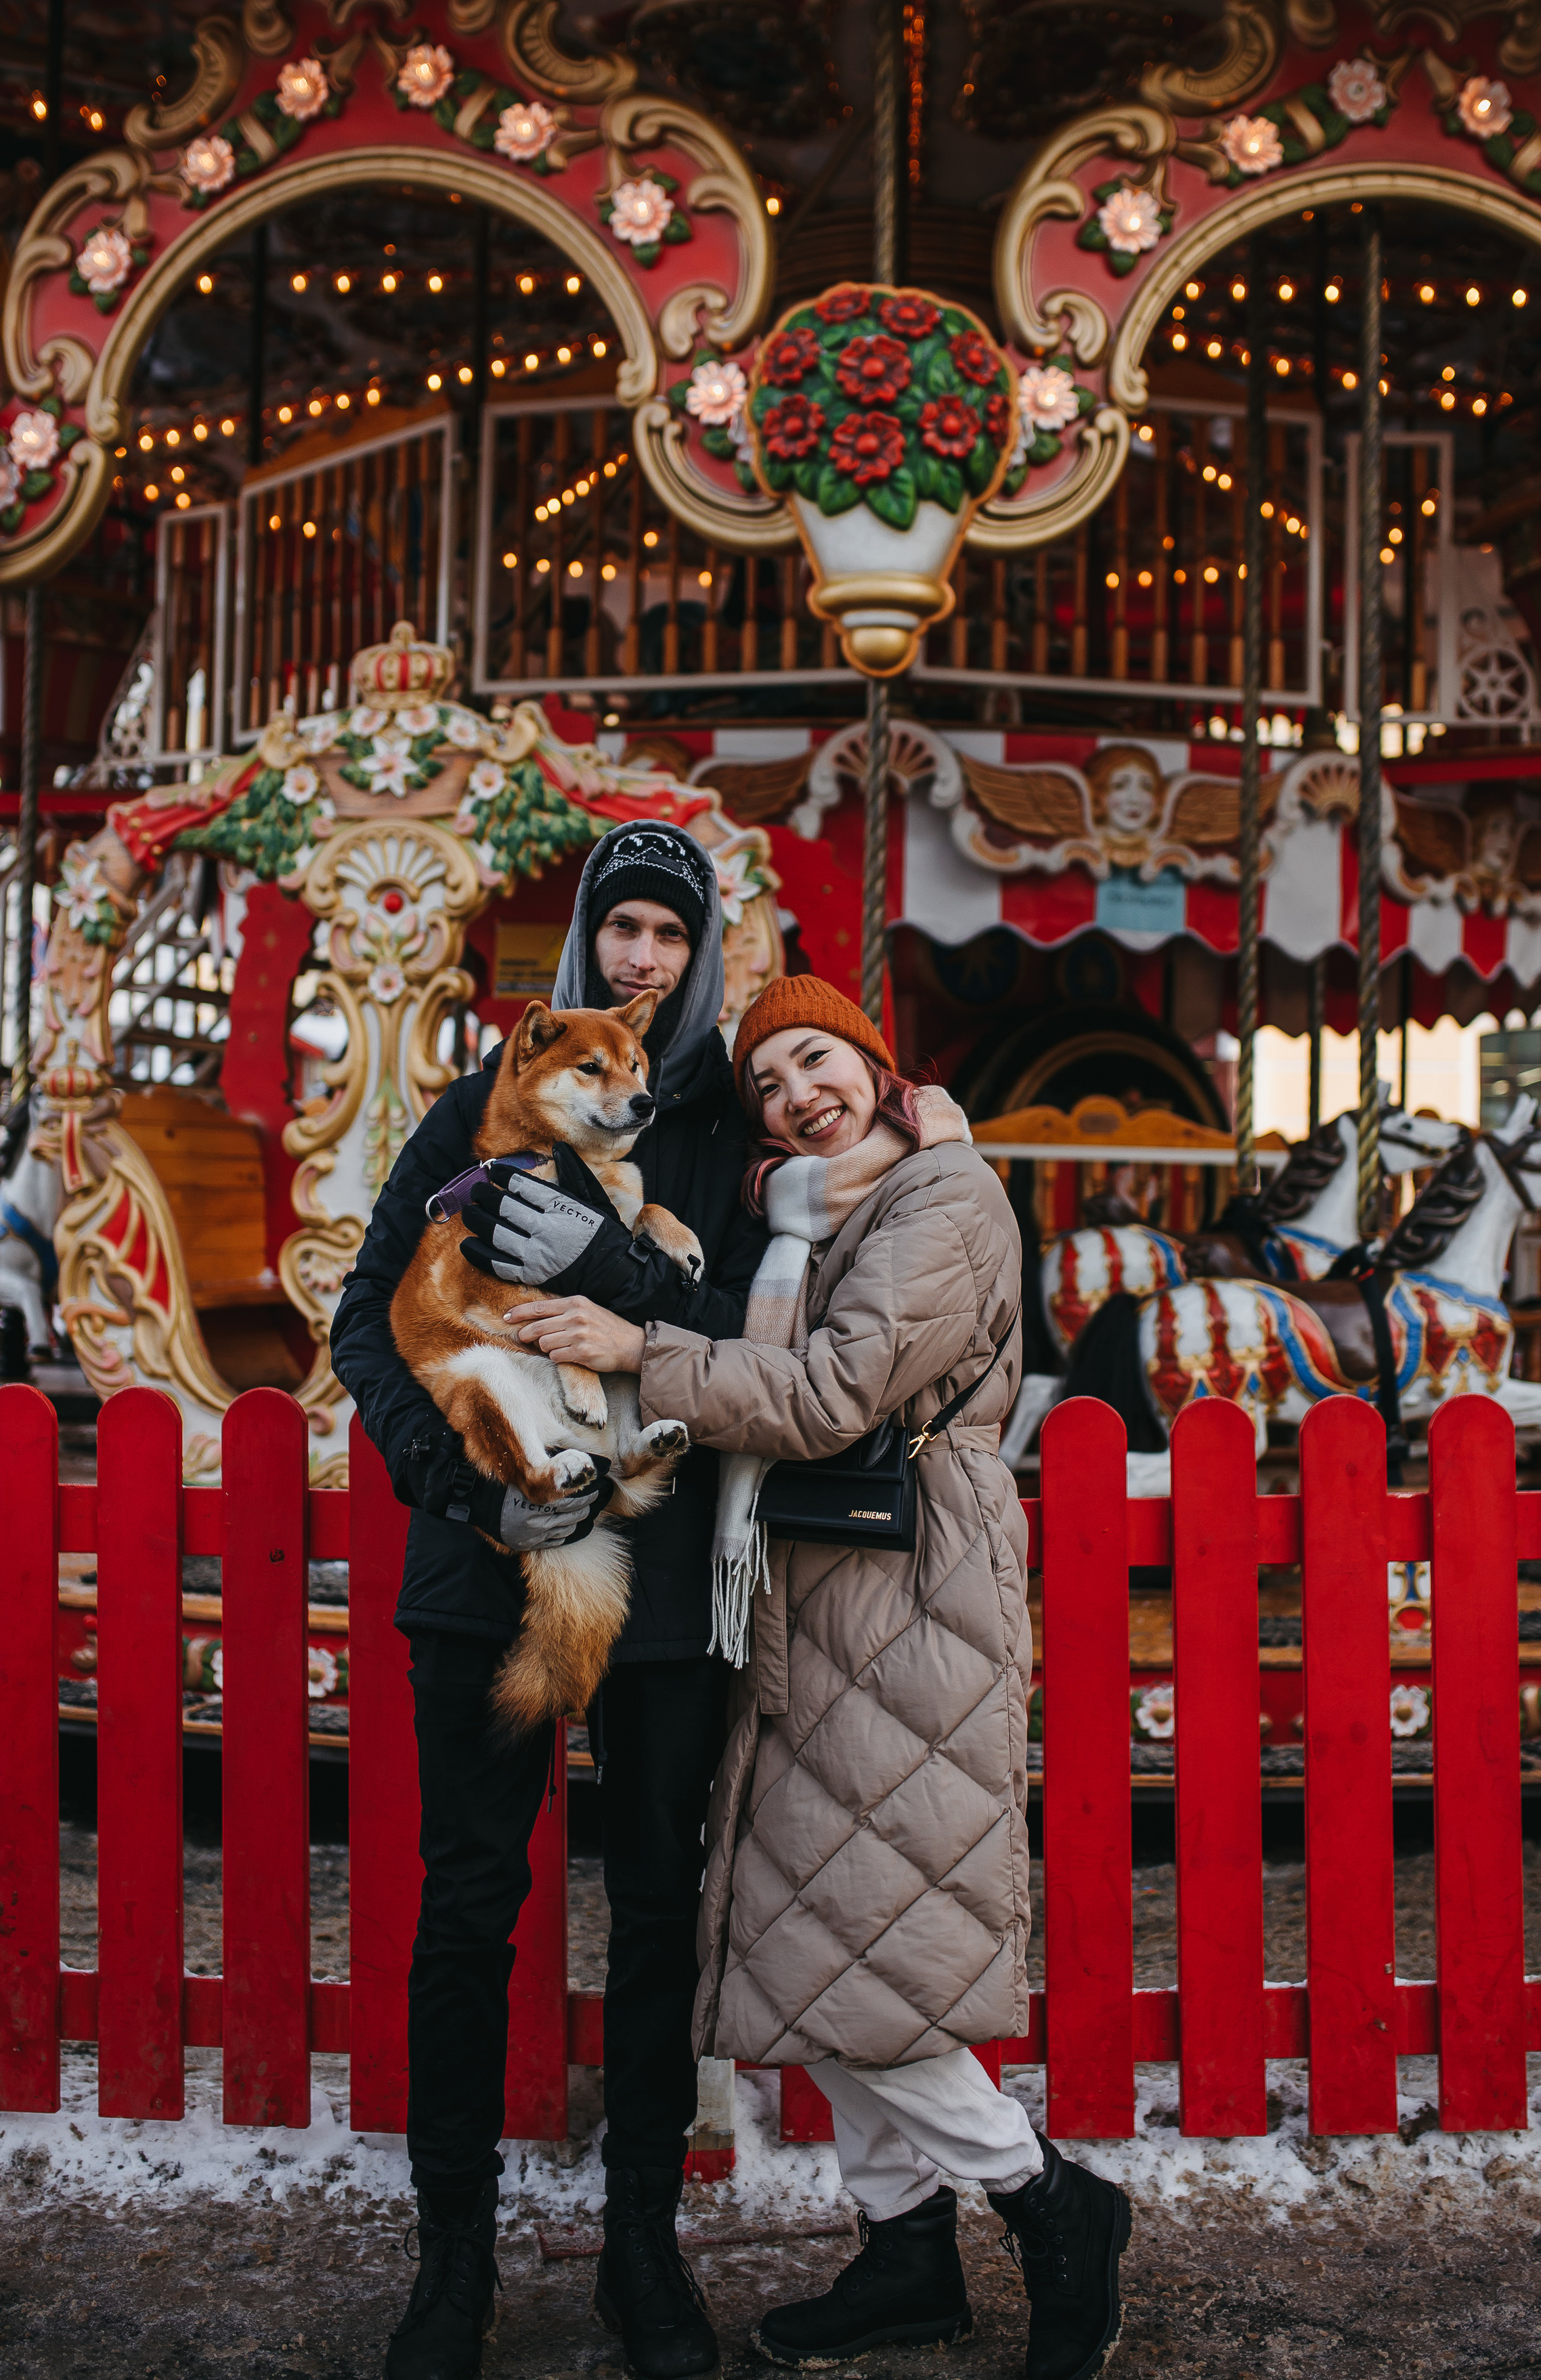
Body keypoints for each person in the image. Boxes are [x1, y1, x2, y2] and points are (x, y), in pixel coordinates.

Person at [509, 975, 1131, 2380]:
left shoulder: (940, 1201)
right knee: (817, 1924)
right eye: (770, 1087)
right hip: (824, 1580)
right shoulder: (822, 1211)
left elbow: (829, 1396)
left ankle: (1050, 2201)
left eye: (814, 1063)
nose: (797, 1097)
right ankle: (903, 2246)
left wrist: (640, 1350)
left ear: (870, 1061)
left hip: (905, 1588)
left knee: (855, 1925)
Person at [331, 818, 769, 2380]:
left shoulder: (720, 1129)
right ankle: (451, 2253)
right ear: (584, 945)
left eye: (667, 935)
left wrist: (626, 1270)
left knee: (653, 1908)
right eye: (619, 931)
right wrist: (462, 1493)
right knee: (467, 1910)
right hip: (481, 1573)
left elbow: (752, 1339)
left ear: (699, 951)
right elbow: (364, 1329)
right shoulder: (478, 1107)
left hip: (649, 1590)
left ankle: (640, 2250)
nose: (640, 960)